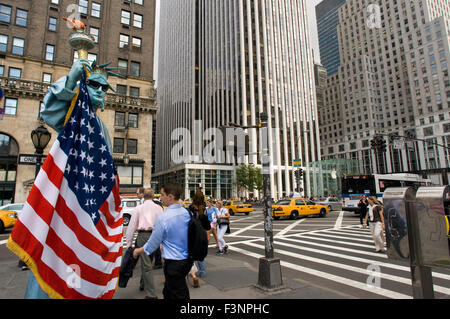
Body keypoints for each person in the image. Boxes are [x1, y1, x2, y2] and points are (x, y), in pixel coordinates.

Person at [23, 58, 123, 299]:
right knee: (57, 270)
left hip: (91, 212)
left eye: (104, 88)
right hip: (68, 211)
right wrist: (70, 80)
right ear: (83, 88)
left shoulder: (102, 128)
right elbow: (51, 113)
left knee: (79, 274)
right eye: (93, 85)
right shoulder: (77, 118)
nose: (99, 91)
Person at [133, 183, 193, 299]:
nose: (160, 197)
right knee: (172, 291)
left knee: (177, 293)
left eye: (162, 194)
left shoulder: (164, 217)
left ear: (170, 196)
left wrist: (138, 250)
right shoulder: (185, 213)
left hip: (173, 262)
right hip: (186, 259)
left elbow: (152, 244)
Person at [126, 188, 163, 299]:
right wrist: (162, 242)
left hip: (143, 235)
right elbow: (162, 225)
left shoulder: (138, 208)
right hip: (155, 235)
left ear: (143, 196)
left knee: (146, 264)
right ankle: (143, 283)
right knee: (148, 261)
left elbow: (131, 227)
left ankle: (151, 294)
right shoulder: (159, 208)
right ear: (152, 196)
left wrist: (129, 243)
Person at [187, 190, 210, 285]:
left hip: (193, 232)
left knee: (191, 253)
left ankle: (193, 273)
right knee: (201, 253)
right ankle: (202, 272)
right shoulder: (204, 208)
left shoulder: (191, 208)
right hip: (202, 233)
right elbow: (207, 225)